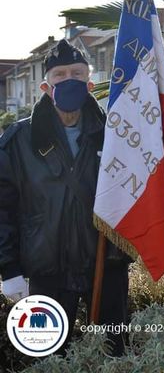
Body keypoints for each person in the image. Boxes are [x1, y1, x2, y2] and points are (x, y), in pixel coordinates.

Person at [0, 39, 130, 356]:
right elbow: (3, 207)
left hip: (106, 264)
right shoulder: (18, 141)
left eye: (76, 73)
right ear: (46, 86)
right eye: (59, 74)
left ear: (89, 83)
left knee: (114, 354)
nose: (68, 79)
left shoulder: (116, 134)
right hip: (47, 270)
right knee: (48, 359)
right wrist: (9, 269)